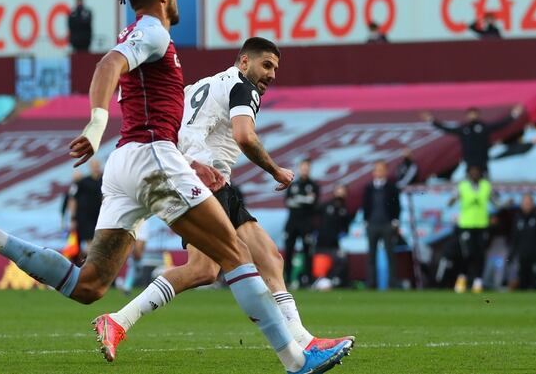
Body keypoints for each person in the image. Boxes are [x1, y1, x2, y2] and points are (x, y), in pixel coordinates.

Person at [0, 0, 350, 374]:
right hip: (152, 156)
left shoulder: (155, 41)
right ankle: (297, 359)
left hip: (125, 164)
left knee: (90, 284)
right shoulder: (153, 32)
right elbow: (109, 62)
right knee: (236, 254)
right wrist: (96, 124)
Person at [103, 36, 353, 357]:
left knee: (224, 266)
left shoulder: (199, 86)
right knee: (249, 263)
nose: (272, 74)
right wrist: (276, 170)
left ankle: (119, 319)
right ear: (244, 62)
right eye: (266, 65)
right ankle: (300, 347)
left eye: (275, 68)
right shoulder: (242, 87)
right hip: (206, 180)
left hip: (188, 177)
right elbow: (244, 136)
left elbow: (167, 127)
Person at [421, 105, 523, 174]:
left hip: (482, 160)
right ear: (467, 116)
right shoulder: (463, 128)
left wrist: (514, 114)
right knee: (469, 183)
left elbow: (501, 124)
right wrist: (431, 120)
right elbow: (446, 129)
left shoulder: (484, 127)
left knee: (485, 183)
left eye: (474, 113)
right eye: (470, 114)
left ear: (478, 115)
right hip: (469, 161)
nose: (472, 116)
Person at [447, 165, 499, 293]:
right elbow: (451, 201)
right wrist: (452, 200)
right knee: (467, 253)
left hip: (481, 225)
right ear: (468, 173)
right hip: (466, 225)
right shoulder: (462, 186)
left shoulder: (486, 186)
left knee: (480, 254)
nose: (475, 173)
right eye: (472, 171)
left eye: (477, 171)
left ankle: (478, 281)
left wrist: (503, 204)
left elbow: (496, 202)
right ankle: (462, 278)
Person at [362, 160, 400, 289]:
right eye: (377, 169)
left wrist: (395, 221)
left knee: (390, 256)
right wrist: (366, 221)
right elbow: (366, 206)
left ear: (386, 171)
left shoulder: (392, 187)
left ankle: (392, 283)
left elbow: (397, 205)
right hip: (372, 225)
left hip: (387, 225)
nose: (379, 172)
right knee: (371, 257)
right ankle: (371, 284)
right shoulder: (368, 188)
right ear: (373, 172)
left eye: (381, 169)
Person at [283, 159, 321, 288]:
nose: (304, 170)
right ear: (299, 168)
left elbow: (314, 204)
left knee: (308, 251)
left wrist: (299, 200)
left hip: (306, 223)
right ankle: (287, 279)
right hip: (292, 223)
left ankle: (308, 280)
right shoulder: (293, 184)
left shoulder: (314, 185)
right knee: (288, 251)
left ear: (310, 169)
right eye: (303, 167)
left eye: (307, 168)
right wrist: (305, 200)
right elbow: (288, 202)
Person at [315, 185, 354, 286]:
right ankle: (317, 281)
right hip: (322, 242)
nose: (340, 193)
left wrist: (342, 234)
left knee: (341, 259)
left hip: (334, 244)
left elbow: (346, 228)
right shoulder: (326, 205)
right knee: (319, 261)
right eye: (339, 191)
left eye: (343, 191)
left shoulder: (345, 210)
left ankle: (333, 280)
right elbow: (314, 215)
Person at [508, 193, 536, 290]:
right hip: (521, 256)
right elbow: (514, 239)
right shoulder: (518, 219)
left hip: (535, 256)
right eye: (525, 203)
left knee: (534, 283)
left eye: (529, 203)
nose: (527, 205)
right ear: (521, 204)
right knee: (521, 282)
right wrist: (512, 254)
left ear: (533, 204)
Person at [68, 158, 103, 257]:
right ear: (90, 167)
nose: (96, 168)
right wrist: (73, 217)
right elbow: (72, 198)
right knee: (89, 241)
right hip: (85, 216)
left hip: (99, 215)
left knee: (97, 242)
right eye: (94, 166)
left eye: (97, 166)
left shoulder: (104, 180)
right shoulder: (82, 182)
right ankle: (87, 263)